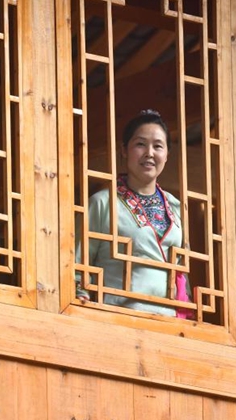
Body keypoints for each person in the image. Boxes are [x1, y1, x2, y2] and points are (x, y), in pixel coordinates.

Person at [76, 109, 191, 318]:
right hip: (118, 315)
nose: (149, 153)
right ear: (124, 150)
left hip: (168, 320)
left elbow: (182, 271)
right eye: (140, 144)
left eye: (158, 146)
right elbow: (78, 264)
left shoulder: (175, 207)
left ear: (167, 155)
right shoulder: (103, 203)